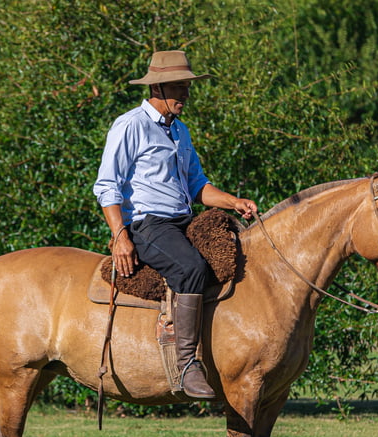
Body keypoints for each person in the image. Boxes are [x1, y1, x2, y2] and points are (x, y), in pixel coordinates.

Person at [93, 50, 257, 399]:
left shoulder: (180, 131)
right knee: (191, 267)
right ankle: (186, 364)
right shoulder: (130, 125)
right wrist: (120, 235)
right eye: (180, 87)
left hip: (183, 222)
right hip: (148, 225)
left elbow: (198, 186)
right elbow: (107, 185)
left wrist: (234, 202)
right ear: (159, 87)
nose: (186, 94)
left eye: (187, 87)